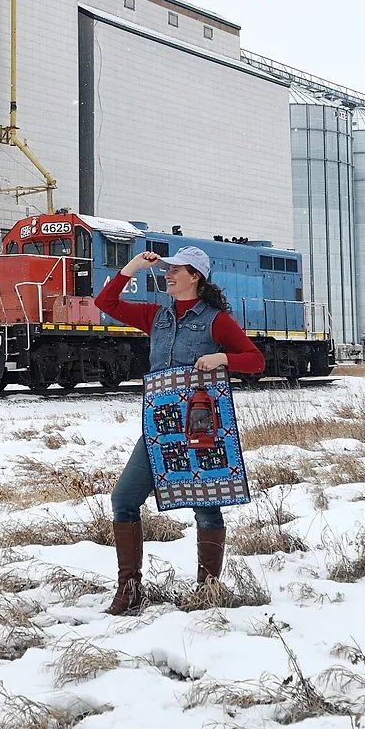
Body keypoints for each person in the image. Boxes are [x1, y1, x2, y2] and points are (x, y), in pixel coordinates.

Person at [95, 245, 265, 615]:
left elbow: (256, 360)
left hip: (201, 423)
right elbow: (106, 303)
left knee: (206, 507)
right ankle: (129, 588)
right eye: (168, 268)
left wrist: (223, 358)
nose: (168, 274)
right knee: (124, 499)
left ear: (196, 277)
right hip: (160, 426)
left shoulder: (217, 320)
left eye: (177, 269)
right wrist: (133, 267)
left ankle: (207, 591)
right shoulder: (157, 315)